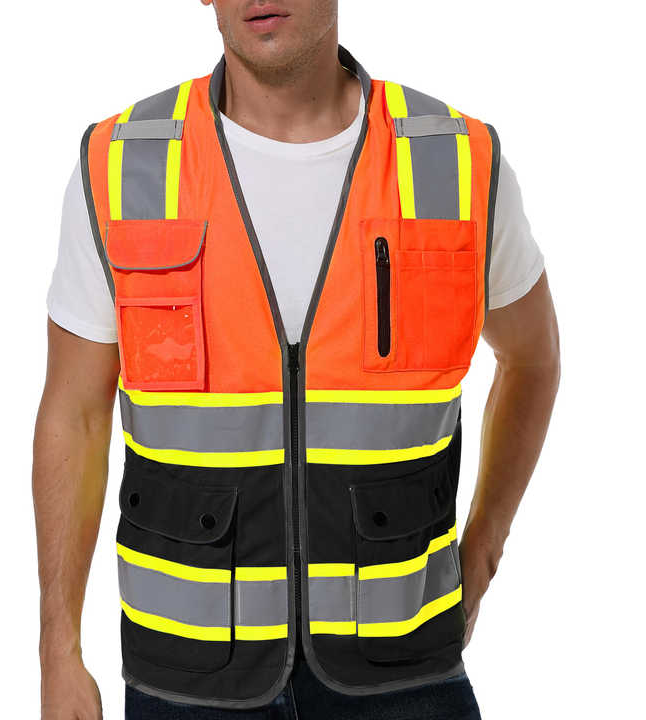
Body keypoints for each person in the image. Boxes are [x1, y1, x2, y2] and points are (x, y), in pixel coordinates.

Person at [33, 1, 560, 718]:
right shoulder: (124, 163)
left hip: (406, 673)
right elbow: (75, 414)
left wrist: (485, 547)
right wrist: (58, 650)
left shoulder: (454, 161)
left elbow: (532, 359)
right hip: (186, 678)